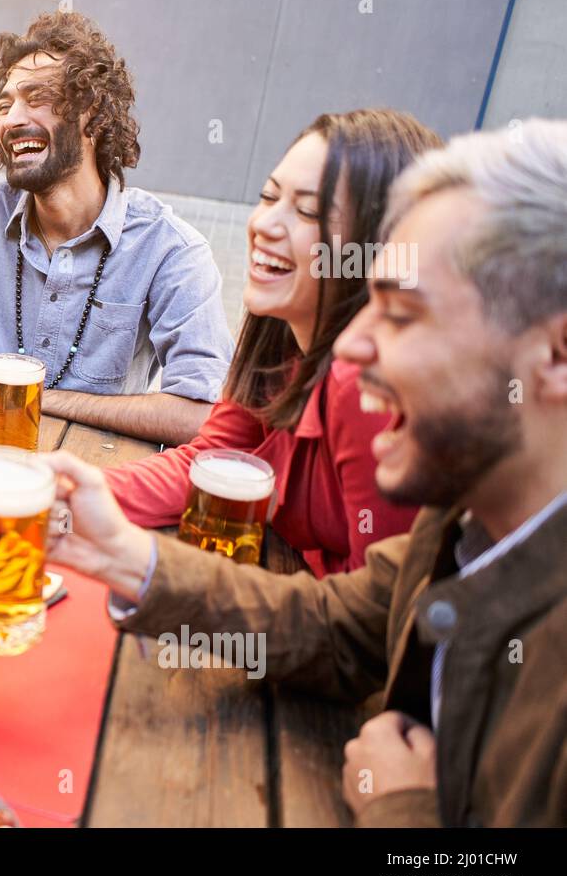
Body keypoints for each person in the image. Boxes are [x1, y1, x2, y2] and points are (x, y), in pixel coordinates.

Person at [43, 120, 567, 826]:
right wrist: (127, 557)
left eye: (406, 314)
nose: (349, 344)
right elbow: (345, 627)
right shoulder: (467, 519)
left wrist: (403, 810)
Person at [0, 12, 233, 446]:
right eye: (4, 105)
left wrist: (32, 399)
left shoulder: (170, 248)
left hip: (92, 487)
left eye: (37, 98)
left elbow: (201, 414)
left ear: (93, 116)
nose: (12, 119)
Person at [105, 110, 441, 575]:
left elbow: (373, 609)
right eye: (268, 197)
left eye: (306, 211)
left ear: (379, 243)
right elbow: (208, 461)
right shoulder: (278, 333)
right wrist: (71, 490)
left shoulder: (366, 386)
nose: (264, 224)